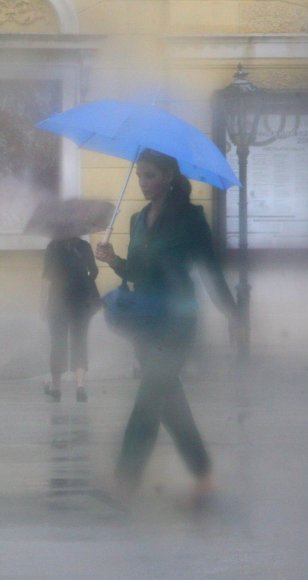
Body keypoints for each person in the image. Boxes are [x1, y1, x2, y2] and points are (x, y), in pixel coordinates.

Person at [94, 148, 240, 506]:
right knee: (170, 404)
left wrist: (233, 313)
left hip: (178, 322)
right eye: (140, 175)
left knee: (147, 399)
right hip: (147, 322)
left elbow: (211, 268)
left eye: (151, 175)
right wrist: (114, 260)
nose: (143, 182)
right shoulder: (139, 220)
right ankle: (204, 474)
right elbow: (139, 273)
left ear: (169, 176)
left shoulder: (190, 219)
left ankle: (124, 481)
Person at [41, 232, 99, 402]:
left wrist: (41, 304)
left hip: (57, 301)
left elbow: (46, 277)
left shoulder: (53, 247)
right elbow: (94, 272)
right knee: (79, 341)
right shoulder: (84, 246)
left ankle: (56, 387)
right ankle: (80, 386)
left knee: (57, 342)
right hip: (81, 302)